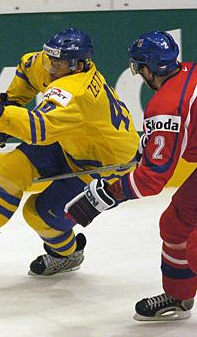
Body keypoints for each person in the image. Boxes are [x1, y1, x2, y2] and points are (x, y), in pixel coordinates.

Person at [0, 28, 139, 279]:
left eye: (59, 64)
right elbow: (26, 76)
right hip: (71, 143)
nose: (51, 68)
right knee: (14, 165)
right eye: (50, 59)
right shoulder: (46, 62)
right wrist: (1, 113)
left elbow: (37, 129)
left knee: (39, 214)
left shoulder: (77, 91)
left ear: (79, 64)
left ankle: (67, 255)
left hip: (106, 170)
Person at [64, 31, 197, 321]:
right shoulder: (189, 72)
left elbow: (151, 180)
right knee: (177, 224)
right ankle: (179, 295)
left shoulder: (166, 106)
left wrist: (104, 196)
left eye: (139, 68)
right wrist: (150, 144)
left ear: (149, 69)